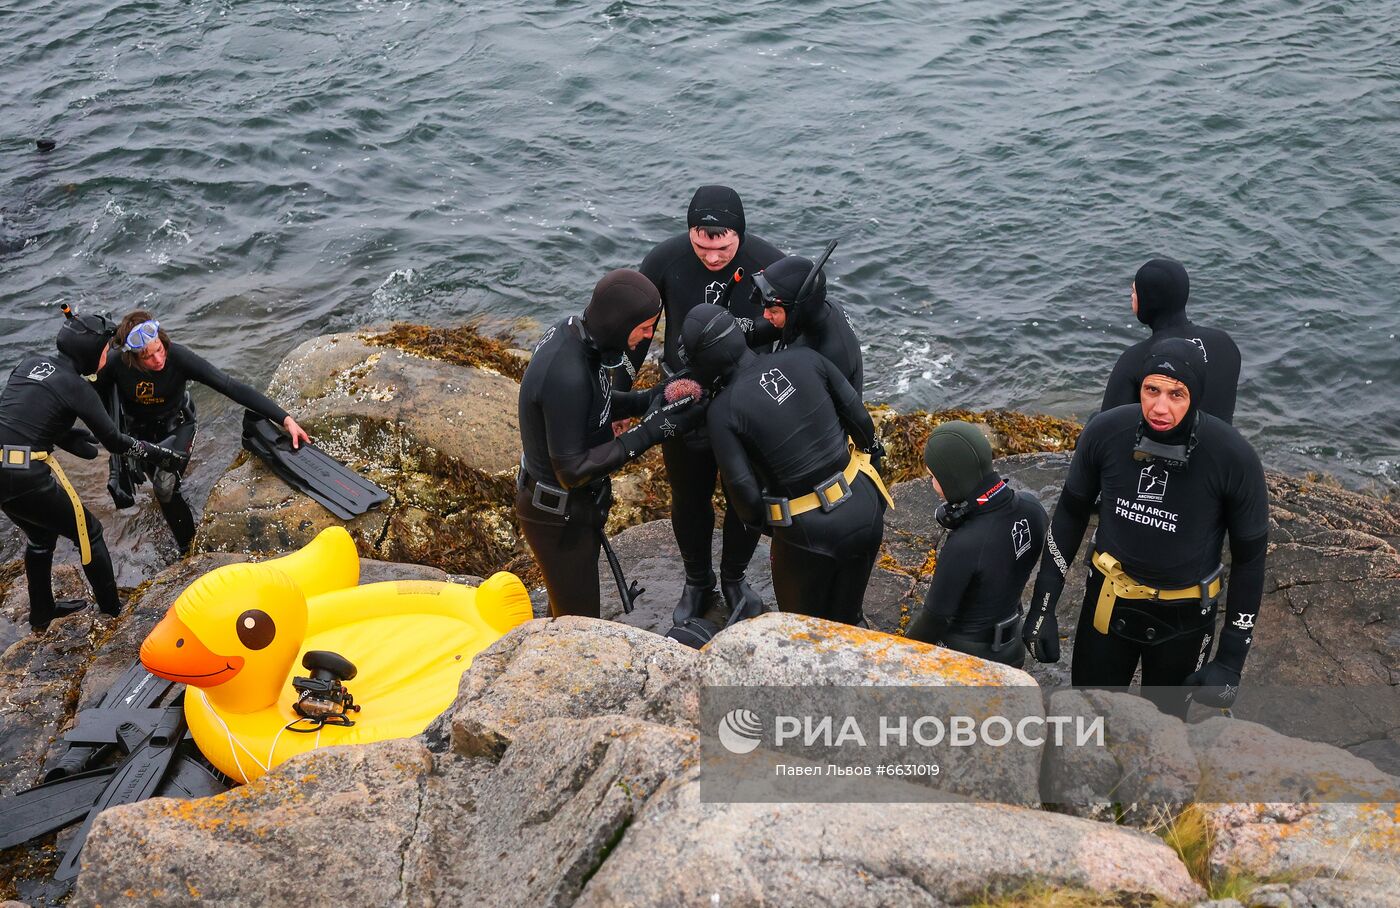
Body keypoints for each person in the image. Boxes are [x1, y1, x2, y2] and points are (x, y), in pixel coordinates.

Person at [1024, 338, 1268, 718]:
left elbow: (1250, 560)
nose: (1160, 407)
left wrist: (1231, 660)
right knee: (1089, 721)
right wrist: (1044, 607)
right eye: (1151, 389)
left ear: (1196, 396)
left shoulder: (1232, 457)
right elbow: (1070, 515)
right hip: (1107, 605)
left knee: (1168, 733)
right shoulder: (1105, 432)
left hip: (1186, 620)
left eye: (1176, 394)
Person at [683, 303, 891, 625]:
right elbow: (861, 421)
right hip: (864, 503)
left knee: (803, 629)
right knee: (851, 617)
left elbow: (745, 498)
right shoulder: (806, 357)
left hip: (809, 533)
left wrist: (777, 525)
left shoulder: (723, 411)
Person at [517, 269, 706, 618]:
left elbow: (592, 404)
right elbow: (571, 471)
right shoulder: (567, 372)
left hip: (572, 510)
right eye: (646, 326)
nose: (650, 335)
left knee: (562, 612)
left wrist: (647, 399)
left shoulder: (576, 335)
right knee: (578, 625)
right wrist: (651, 432)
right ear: (620, 321)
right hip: (556, 517)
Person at [638, 186, 786, 625]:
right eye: (701, 245)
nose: (712, 257)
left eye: (722, 247)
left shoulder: (769, 263)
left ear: (739, 234)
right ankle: (696, 581)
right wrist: (618, 393)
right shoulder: (664, 260)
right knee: (689, 496)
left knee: (746, 492)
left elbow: (797, 323)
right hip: (684, 396)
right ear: (689, 234)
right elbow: (639, 331)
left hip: (745, 400)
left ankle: (735, 578)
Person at [0, 307, 183, 631]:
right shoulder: (77, 386)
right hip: (26, 475)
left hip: (4, 467)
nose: (108, 353)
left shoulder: (28, 363)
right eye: (104, 349)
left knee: (41, 536)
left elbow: (26, 415)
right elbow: (113, 440)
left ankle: (41, 613)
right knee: (90, 531)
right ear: (89, 355)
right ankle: (113, 612)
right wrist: (158, 454)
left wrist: (65, 436)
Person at [94, 311, 310, 554]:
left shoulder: (179, 358)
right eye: (147, 356)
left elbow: (230, 386)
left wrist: (285, 418)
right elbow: (86, 396)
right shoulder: (115, 363)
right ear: (133, 357)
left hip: (177, 425)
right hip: (139, 433)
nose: (157, 359)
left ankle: (189, 550)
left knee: (164, 487)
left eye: (158, 350)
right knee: (158, 481)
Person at [906, 421, 1047, 667]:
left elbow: (934, 620)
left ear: (952, 479)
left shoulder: (965, 545)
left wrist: (898, 655)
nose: (931, 484)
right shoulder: (1032, 508)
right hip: (1012, 649)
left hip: (968, 658)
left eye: (933, 477)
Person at [1100, 257, 1241, 424]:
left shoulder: (1136, 358)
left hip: (1165, 449)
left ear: (1147, 300)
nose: (1132, 296)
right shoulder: (1225, 343)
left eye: (1134, 291)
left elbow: (1107, 430)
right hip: (1221, 447)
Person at [755, 253, 863, 394]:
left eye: (774, 311)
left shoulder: (830, 355)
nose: (766, 315)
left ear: (798, 310)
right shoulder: (816, 312)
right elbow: (754, 333)